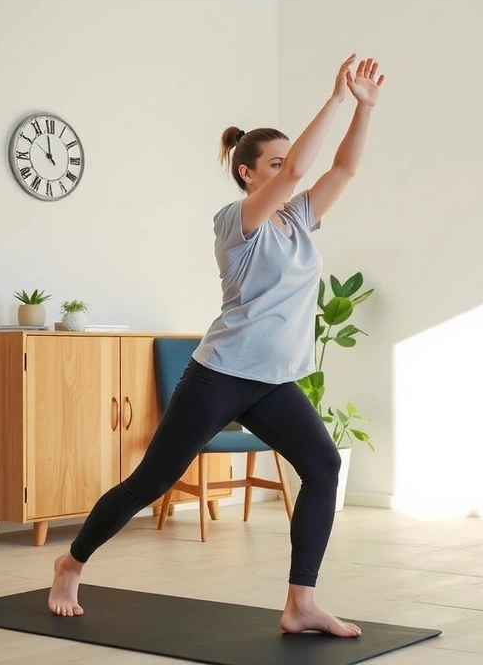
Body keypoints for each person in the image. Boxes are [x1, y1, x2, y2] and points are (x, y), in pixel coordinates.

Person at [47, 54, 386, 638]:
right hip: (221, 375)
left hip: (274, 380)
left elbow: (344, 170)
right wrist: (332, 99)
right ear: (249, 174)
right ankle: (70, 563)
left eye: (285, 162)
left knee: (324, 466)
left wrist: (365, 108)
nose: (287, 172)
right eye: (274, 164)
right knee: (150, 481)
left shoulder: (299, 220)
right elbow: (303, 167)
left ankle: (300, 602)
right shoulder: (237, 221)